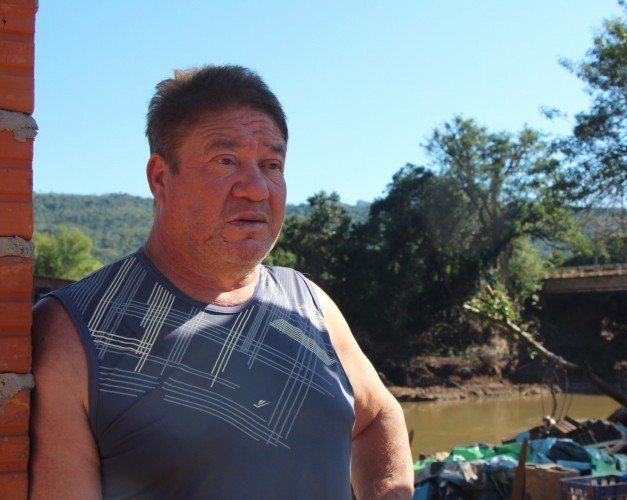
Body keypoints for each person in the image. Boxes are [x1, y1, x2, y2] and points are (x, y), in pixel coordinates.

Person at [30, 65, 414, 499]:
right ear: (160, 177)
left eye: (272, 164)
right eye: (225, 160)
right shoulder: (72, 335)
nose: (255, 188)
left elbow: (379, 416)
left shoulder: (309, 304)